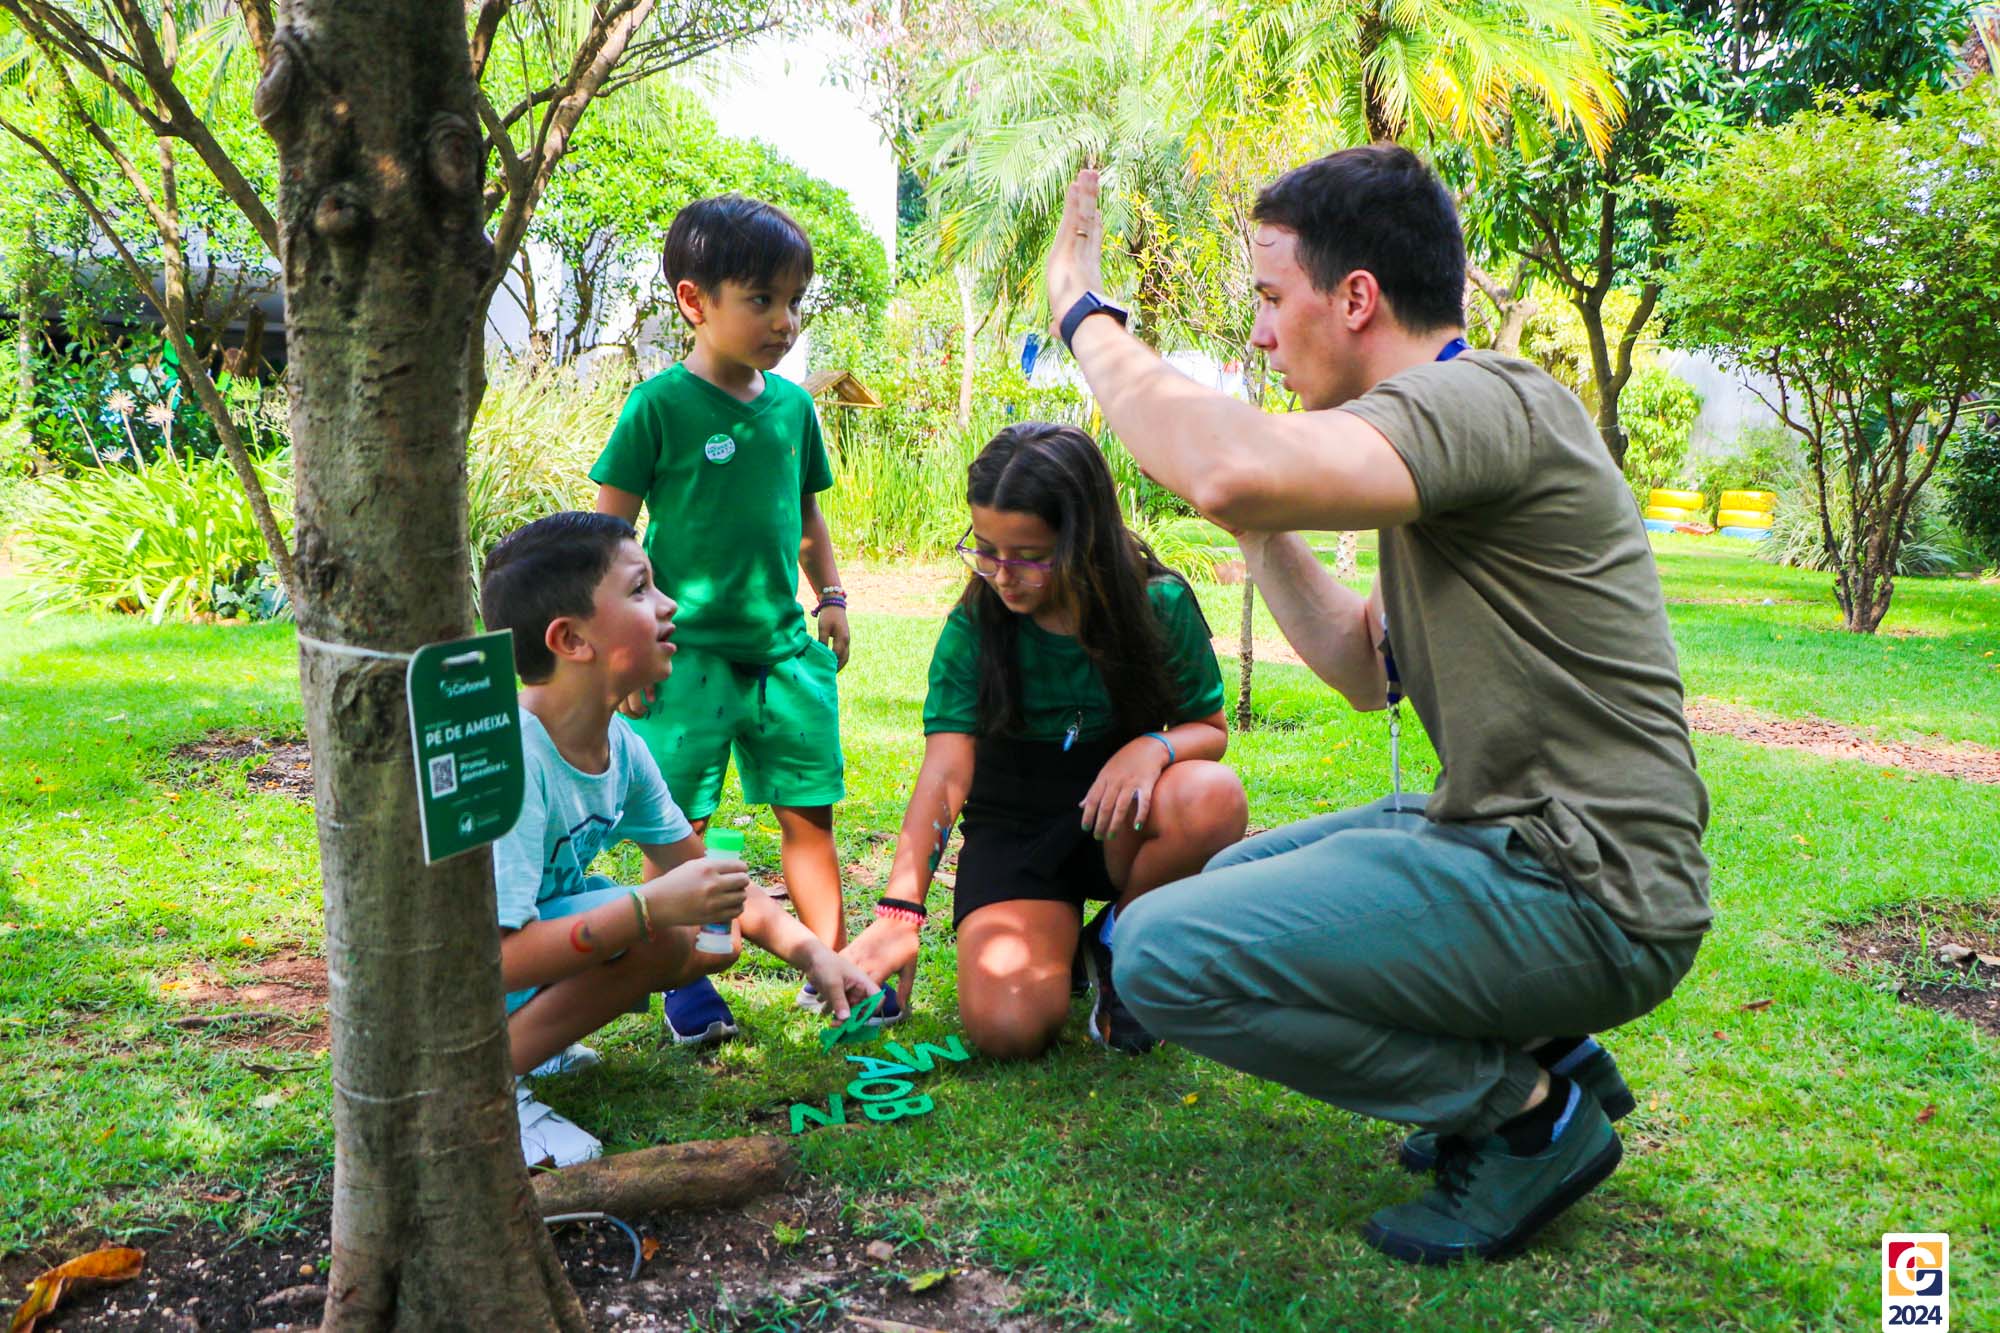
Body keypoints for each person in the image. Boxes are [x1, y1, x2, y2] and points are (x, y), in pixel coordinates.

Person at [1042, 147, 1711, 1263]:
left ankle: (1527, 1113)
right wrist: (1260, 530)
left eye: (1271, 298)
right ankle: (1546, 1045)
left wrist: (1084, 313)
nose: (1262, 334)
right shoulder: (1450, 431)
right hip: (1510, 843)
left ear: (1355, 298)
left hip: (1587, 888)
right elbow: (1366, 669)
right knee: (1213, 890)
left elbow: (1223, 463)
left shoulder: (1484, 400)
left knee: (1158, 952)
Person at [480, 512, 875, 1168]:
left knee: (694, 937)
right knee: (661, 931)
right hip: (453, 993)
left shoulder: (619, 745)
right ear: (571, 639)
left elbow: (708, 877)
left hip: (516, 956)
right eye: (640, 589)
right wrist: (647, 907)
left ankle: (531, 1044)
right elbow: (489, 959)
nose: (669, 605)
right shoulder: (514, 757)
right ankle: (486, 1091)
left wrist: (813, 953)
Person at [839, 423, 1247, 1057]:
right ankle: (1073, 950)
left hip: (1118, 818)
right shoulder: (974, 628)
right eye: (985, 550)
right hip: (1017, 829)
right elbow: (946, 774)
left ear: (1085, 541)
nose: (1002, 576)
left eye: (1029, 555)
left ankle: (1119, 939)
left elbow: (1210, 731)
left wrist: (1152, 748)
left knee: (1211, 795)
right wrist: (900, 909)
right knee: (1008, 1031)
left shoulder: (1158, 606)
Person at [591, 195, 853, 1046]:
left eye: (794, 302)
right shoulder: (657, 407)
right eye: (762, 300)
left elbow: (806, 517)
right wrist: (622, 652)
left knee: (808, 818)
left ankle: (832, 969)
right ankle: (686, 978)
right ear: (694, 301)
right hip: (684, 659)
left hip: (785, 656)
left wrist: (833, 597)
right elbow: (608, 538)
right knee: (681, 828)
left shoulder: (794, 409)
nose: (784, 321)